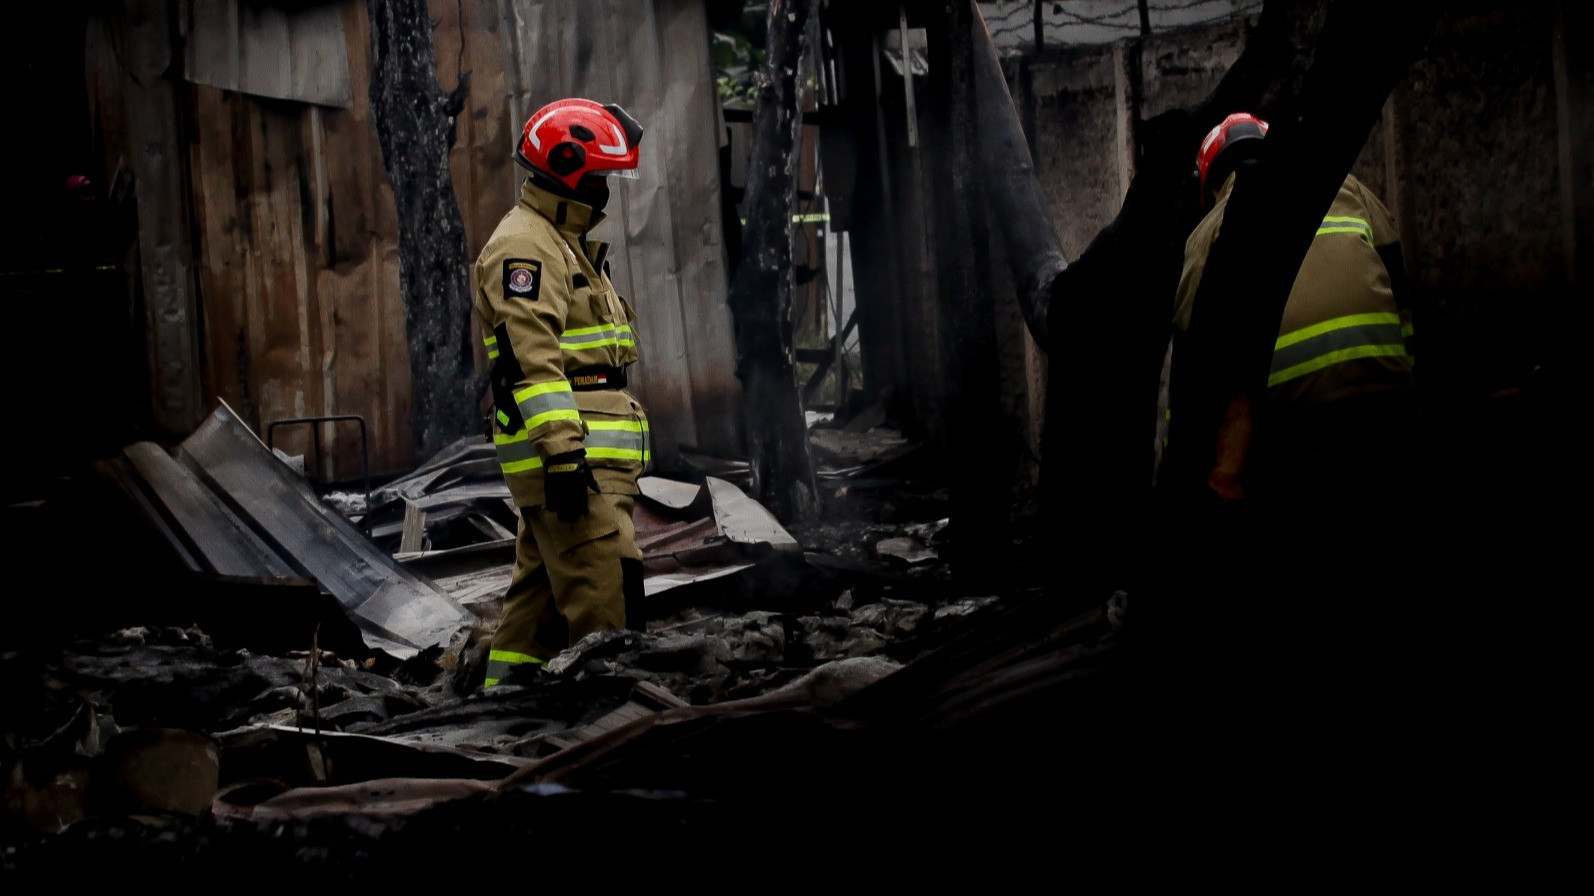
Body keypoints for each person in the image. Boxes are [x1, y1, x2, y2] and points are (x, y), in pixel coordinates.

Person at [472, 98, 652, 687]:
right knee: (608, 590)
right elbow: (532, 359)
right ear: (570, 169)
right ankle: (614, 717)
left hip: (583, 459)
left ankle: (500, 707)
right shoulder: (527, 245)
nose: (605, 189)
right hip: (572, 463)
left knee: (539, 606)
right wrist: (565, 457)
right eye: (600, 175)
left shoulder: (562, 239)